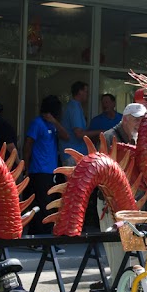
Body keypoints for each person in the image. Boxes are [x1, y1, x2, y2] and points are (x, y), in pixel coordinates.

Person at [96, 103, 147, 280]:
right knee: (117, 255)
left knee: (137, 254)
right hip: (110, 203)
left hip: (133, 203)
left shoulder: (139, 138)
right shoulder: (110, 137)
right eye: (135, 119)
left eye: (142, 120)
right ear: (125, 119)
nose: (139, 123)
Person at [24, 95, 69, 236]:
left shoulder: (53, 124)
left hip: (52, 171)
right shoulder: (37, 123)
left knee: (50, 204)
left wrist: (54, 122)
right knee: (41, 205)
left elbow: (66, 136)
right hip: (38, 170)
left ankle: (47, 235)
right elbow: (28, 144)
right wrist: (25, 165)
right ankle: (37, 236)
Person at [59, 81, 101, 166]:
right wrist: (100, 132)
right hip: (73, 156)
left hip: (74, 154)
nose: (87, 94)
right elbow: (79, 134)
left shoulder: (75, 106)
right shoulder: (74, 108)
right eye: (86, 91)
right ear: (79, 92)